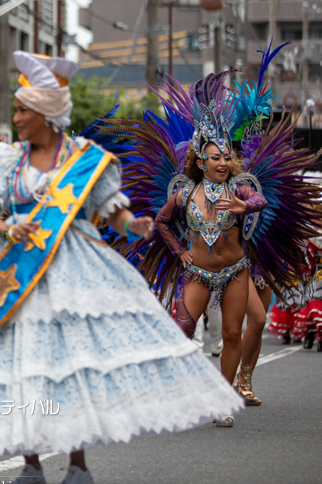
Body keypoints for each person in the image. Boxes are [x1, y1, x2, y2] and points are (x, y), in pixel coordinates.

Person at [0, 51, 244, 484]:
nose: (16, 118)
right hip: (14, 269)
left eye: (23, 110)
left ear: (48, 116)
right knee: (23, 364)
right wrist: (10, 227)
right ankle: (30, 462)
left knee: (68, 363)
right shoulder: (5, 158)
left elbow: (114, 212)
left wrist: (135, 225)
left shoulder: (87, 160)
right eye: (17, 109)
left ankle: (78, 464)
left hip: (74, 270)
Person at [102, 41, 322, 414]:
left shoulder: (241, 186)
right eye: (215, 157)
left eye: (226, 157)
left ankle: (230, 390)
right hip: (198, 271)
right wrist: (180, 251)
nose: (223, 162)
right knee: (183, 332)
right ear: (200, 160)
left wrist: (244, 204)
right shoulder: (184, 192)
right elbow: (161, 222)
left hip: (238, 269)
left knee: (239, 329)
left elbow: (260, 201)